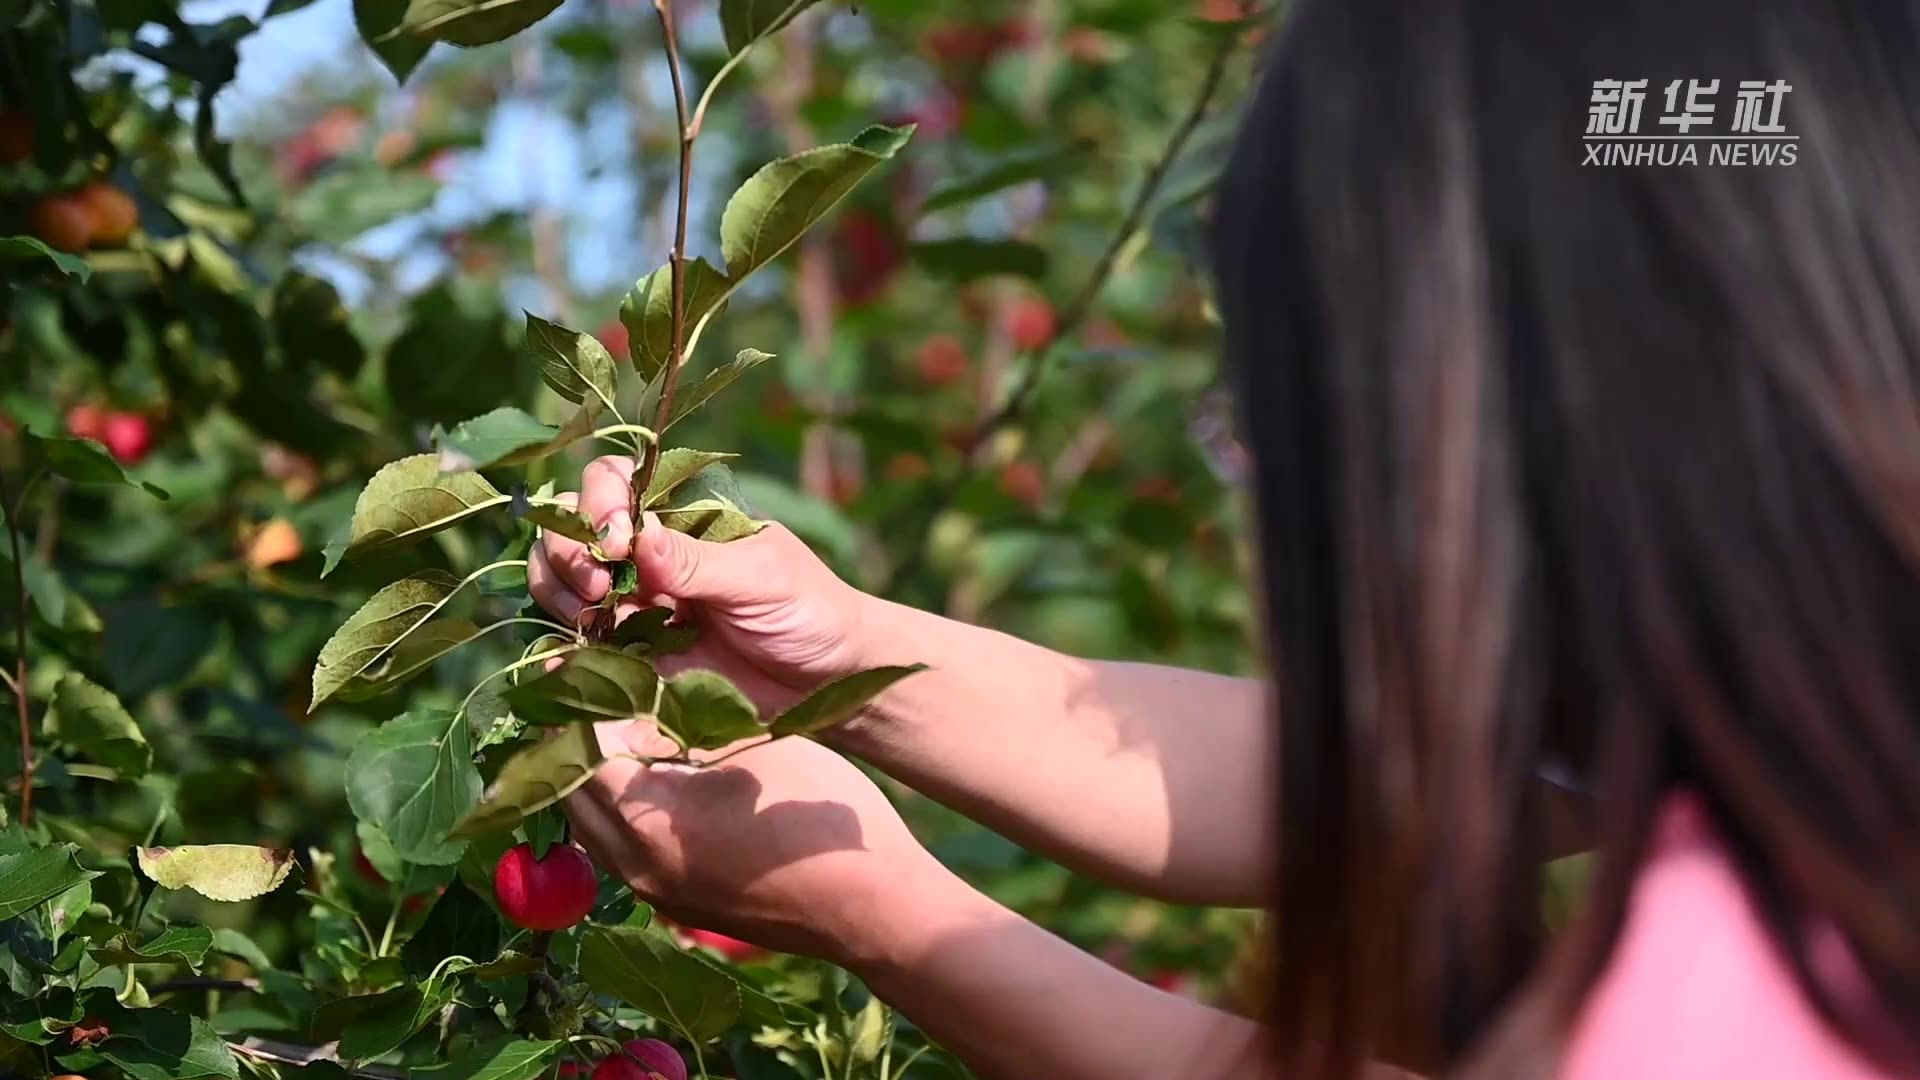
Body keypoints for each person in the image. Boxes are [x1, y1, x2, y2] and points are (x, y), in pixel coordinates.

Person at [538, 0, 1920, 1075]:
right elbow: (1346, 773)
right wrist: (847, 657)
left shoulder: (1749, 968)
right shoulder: (1797, 720)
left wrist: (889, 919)